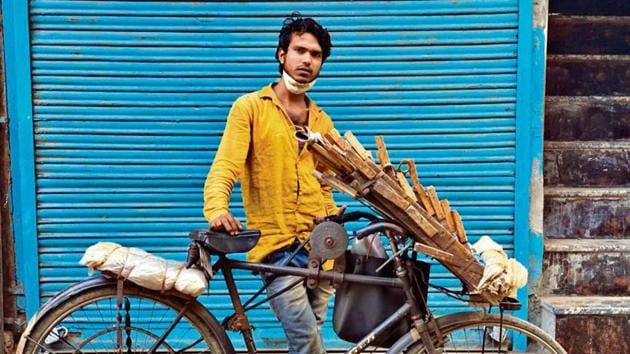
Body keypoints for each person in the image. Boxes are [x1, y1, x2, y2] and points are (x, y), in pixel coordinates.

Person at [203, 13, 343, 354]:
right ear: (282, 54)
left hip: (323, 246)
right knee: (307, 340)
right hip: (278, 248)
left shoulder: (322, 121)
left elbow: (334, 179)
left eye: (315, 54)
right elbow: (226, 164)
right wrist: (218, 208)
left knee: (310, 339)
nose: (307, 60)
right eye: (299, 50)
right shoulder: (251, 108)